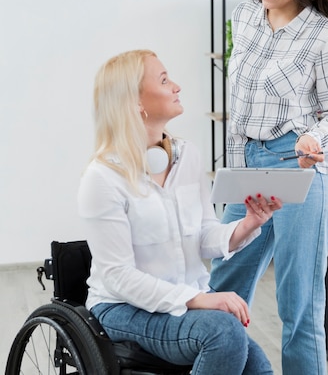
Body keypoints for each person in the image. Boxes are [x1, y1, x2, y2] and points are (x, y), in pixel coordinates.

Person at [209, 0, 328, 375]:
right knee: (220, 290)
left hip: (301, 169)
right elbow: (238, 101)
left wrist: (317, 140)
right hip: (250, 163)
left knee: (299, 309)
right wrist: (231, 175)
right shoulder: (245, 18)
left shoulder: (323, 34)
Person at [78, 50, 280, 375]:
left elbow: (203, 234)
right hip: (123, 307)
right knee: (224, 333)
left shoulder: (187, 156)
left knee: (258, 368)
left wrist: (247, 224)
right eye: (163, 80)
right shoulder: (102, 178)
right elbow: (119, 276)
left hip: (187, 300)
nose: (177, 86)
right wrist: (197, 300)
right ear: (136, 103)